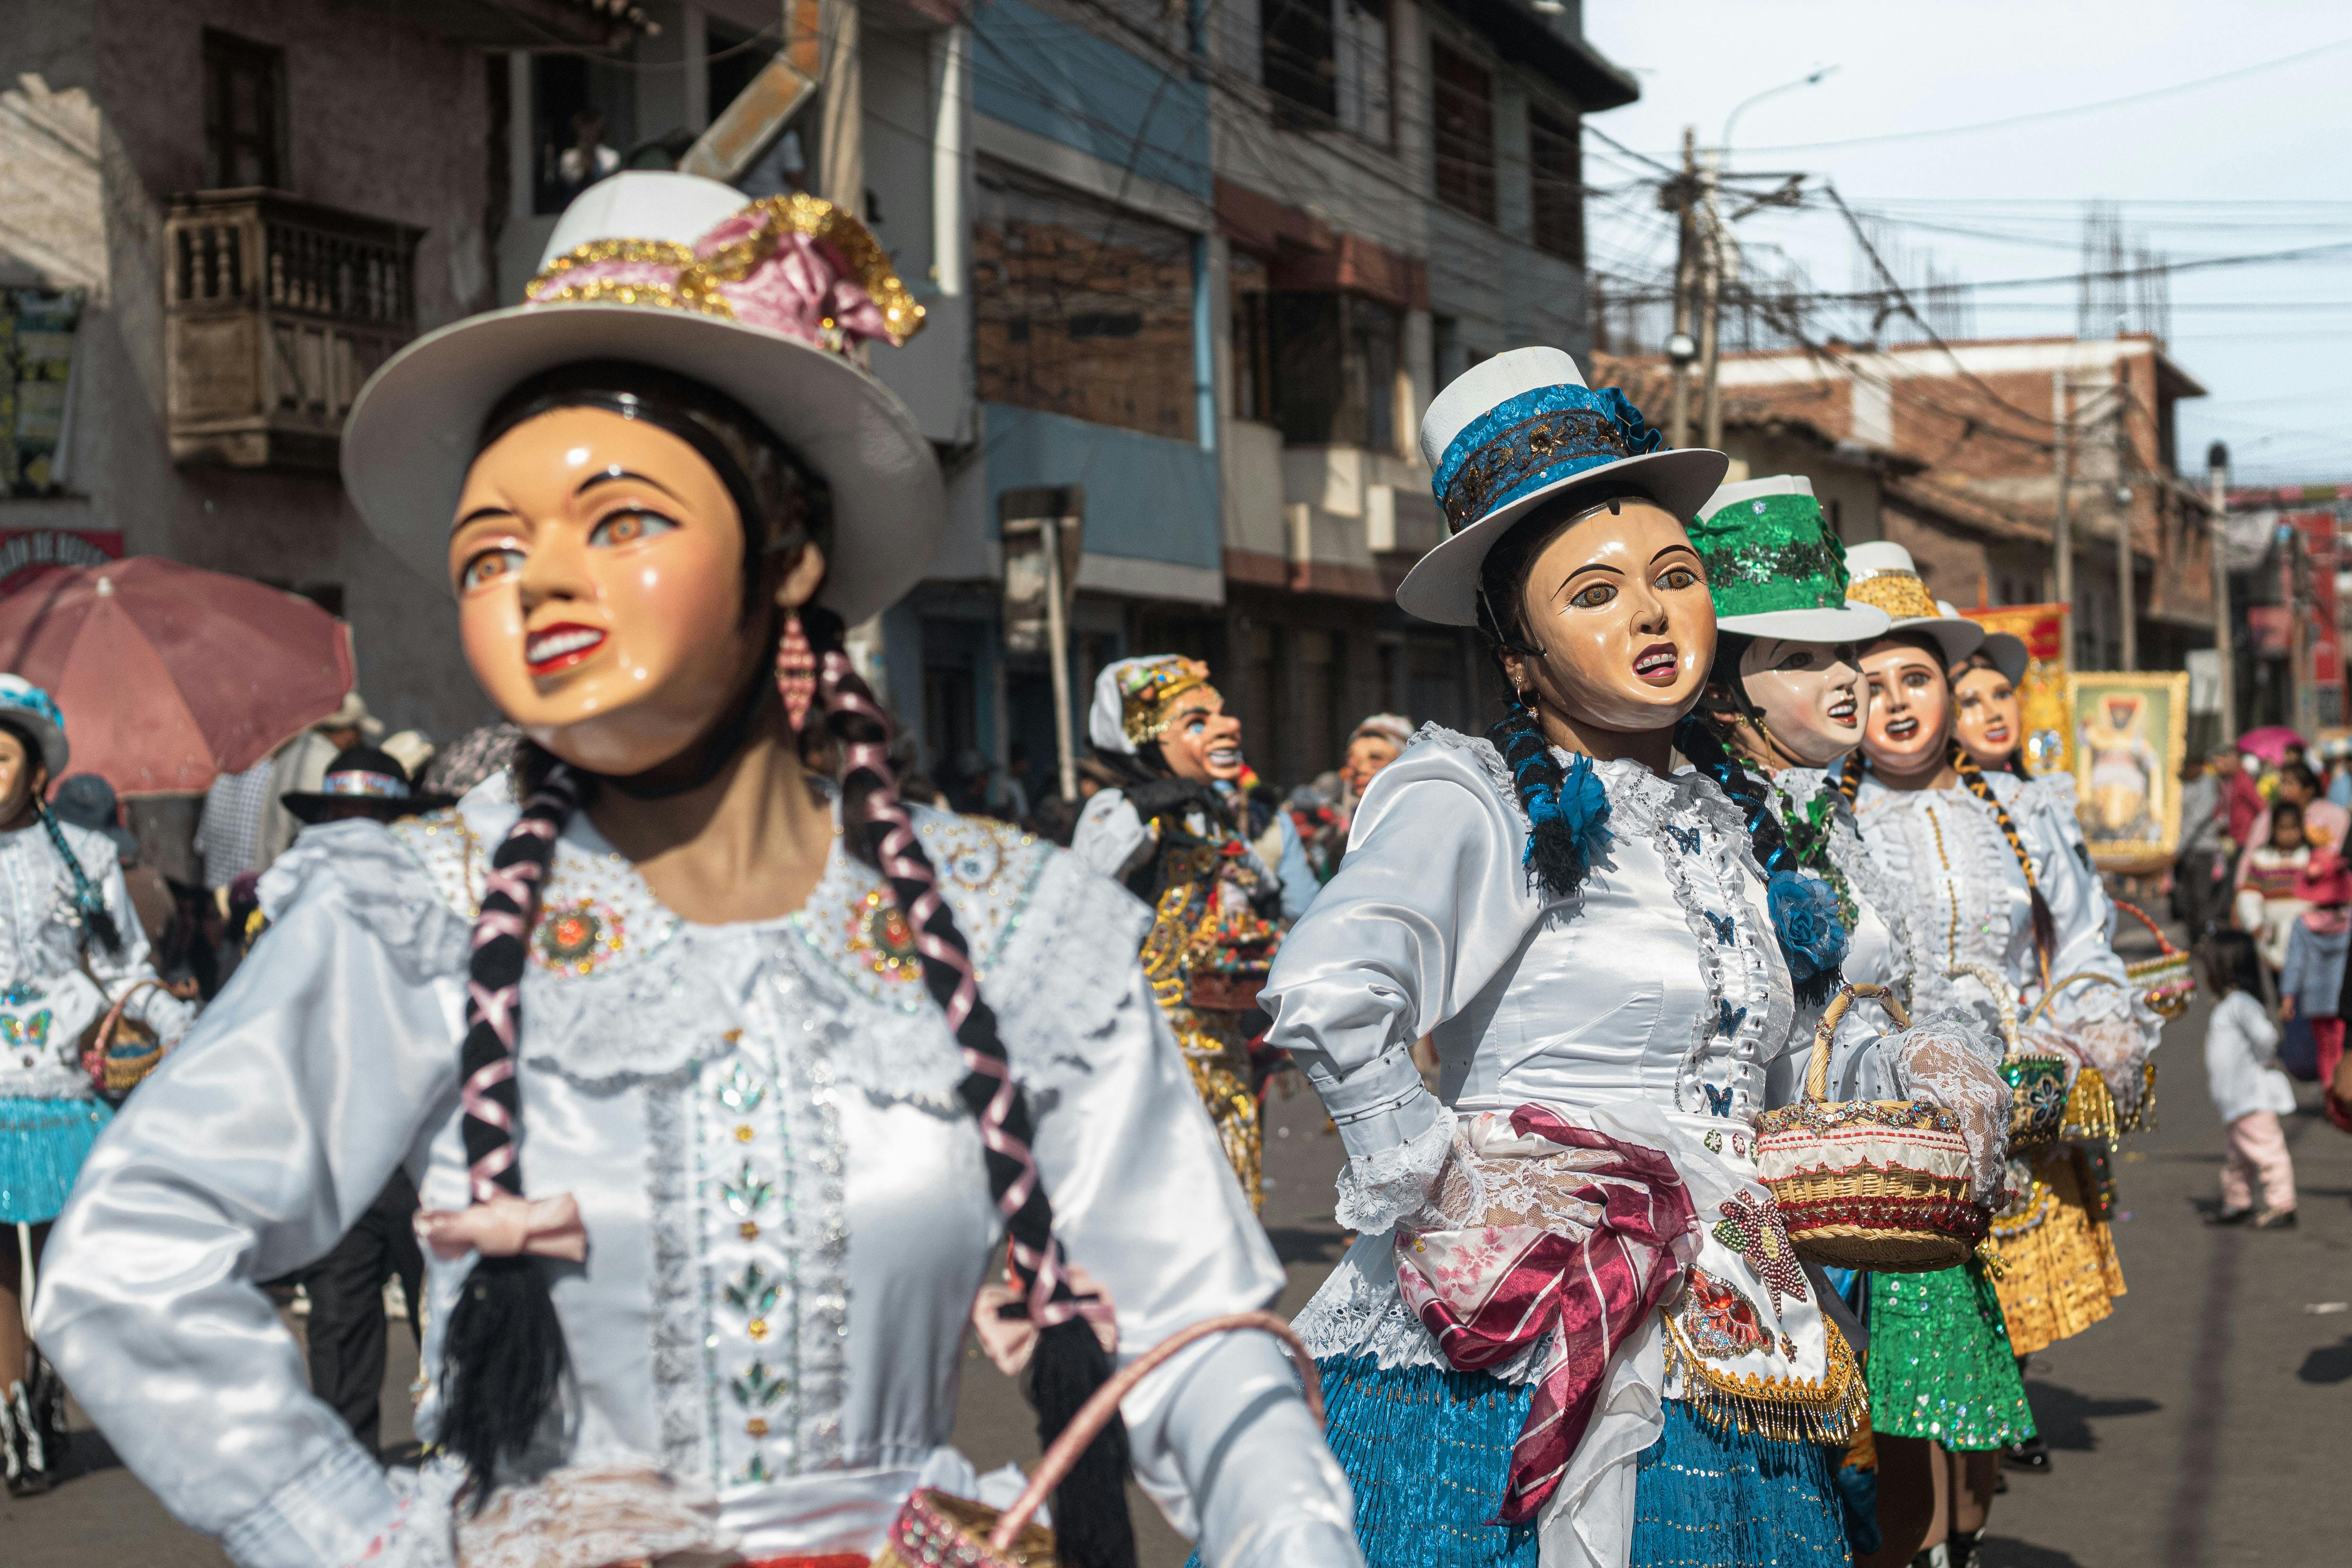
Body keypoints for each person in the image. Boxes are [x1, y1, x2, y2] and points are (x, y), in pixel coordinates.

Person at [33, 172, 1356, 1568]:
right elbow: (132, 1260)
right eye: (495, 544)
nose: (542, 580)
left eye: (618, 522)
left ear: (787, 557)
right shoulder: (413, 911)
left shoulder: (1013, 922)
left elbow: (1203, 1336)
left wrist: (1290, 1535)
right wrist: (366, 1533)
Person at [1271, 349, 1876, 1568]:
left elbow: (1796, 1041)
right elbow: (1332, 984)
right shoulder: (1471, 791)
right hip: (1523, 1311)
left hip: (1735, 1312)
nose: (1651, 616)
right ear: (1515, 647)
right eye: (1592, 594)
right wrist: (1443, 1176)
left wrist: (1924, 1074)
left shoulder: (1727, 814)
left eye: (1675, 576)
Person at [1690, 493, 2018, 1568]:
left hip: (1860, 1208)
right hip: (1740, 1234)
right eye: (1805, 654)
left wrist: (1940, 1071)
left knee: (1898, 1511)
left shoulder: (1826, 814)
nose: (1848, 679)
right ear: (1723, 679)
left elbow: (1879, 1003)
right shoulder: (1692, 827)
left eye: (1851, 650)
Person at [1838, 544, 2161, 1484]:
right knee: (1900, 1405)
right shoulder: (1828, 821)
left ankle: (1965, 1535)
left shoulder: (2024, 809)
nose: (1896, 703)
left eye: (1916, 678)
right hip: (1894, 1134)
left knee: (1982, 1412)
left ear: (1950, 686)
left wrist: (2090, 1033)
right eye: (1871, 684)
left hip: (2022, 1126)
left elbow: (2086, 939)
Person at [0, 677, 196, 1497]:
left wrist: (178, 1029)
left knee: (64, 1268)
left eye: (0, 754)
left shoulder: (81, 858)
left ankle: (48, 1387)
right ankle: (15, 1417)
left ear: (36, 769)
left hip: (62, 1092)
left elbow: (124, 968)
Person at [272, 747, 459, 1455]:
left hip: (428, 1150)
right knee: (341, 1320)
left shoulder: (438, 904)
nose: (355, 834)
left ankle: (464, 1461)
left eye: (372, 818)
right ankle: (347, 1473)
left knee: (447, 1312)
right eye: (340, 818)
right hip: (340, 1151)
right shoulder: (293, 905)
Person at [1071, 656, 1292, 1209]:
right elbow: (1084, 877)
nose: (1227, 728)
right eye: (1196, 722)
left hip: (1218, 1029)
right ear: (1144, 742)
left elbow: (1262, 886)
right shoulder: (1119, 809)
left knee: (1227, 1174)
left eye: (1220, 715)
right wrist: (1147, 802)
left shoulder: (1210, 813)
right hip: (1148, 1039)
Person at [2200, 929, 2297, 1227]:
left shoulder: (2240, 1004)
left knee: (2267, 1153)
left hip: (2251, 1097)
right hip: (2236, 1100)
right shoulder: (2230, 1004)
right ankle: (2237, 1201)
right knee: (2238, 1157)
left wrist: (2265, 1058)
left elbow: (2265, 1036)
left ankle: (2282, 1204)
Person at [2233, 800, 2311, 975]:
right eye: (2283, 828)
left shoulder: (2310, 858)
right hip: (2272, 938)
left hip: (2306, 938)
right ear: (2274, 830)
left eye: (2294, 828)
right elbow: (2249, 895)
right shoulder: (2262, 858)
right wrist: (2255, 924)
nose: (2289, 834)